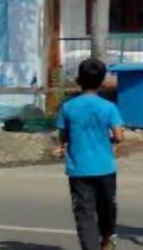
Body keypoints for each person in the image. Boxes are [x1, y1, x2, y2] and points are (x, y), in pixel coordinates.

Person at [55, 57, 125, 250]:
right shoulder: (109, 107)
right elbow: (119, 136)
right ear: (102, 81)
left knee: (84, 215)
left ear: (79, 79)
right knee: (107, 209)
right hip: (105, 168)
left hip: (79, 169)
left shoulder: (68, 107)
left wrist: (66, 145)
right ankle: (108, 239)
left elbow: (62, 136)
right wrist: (109, 140)